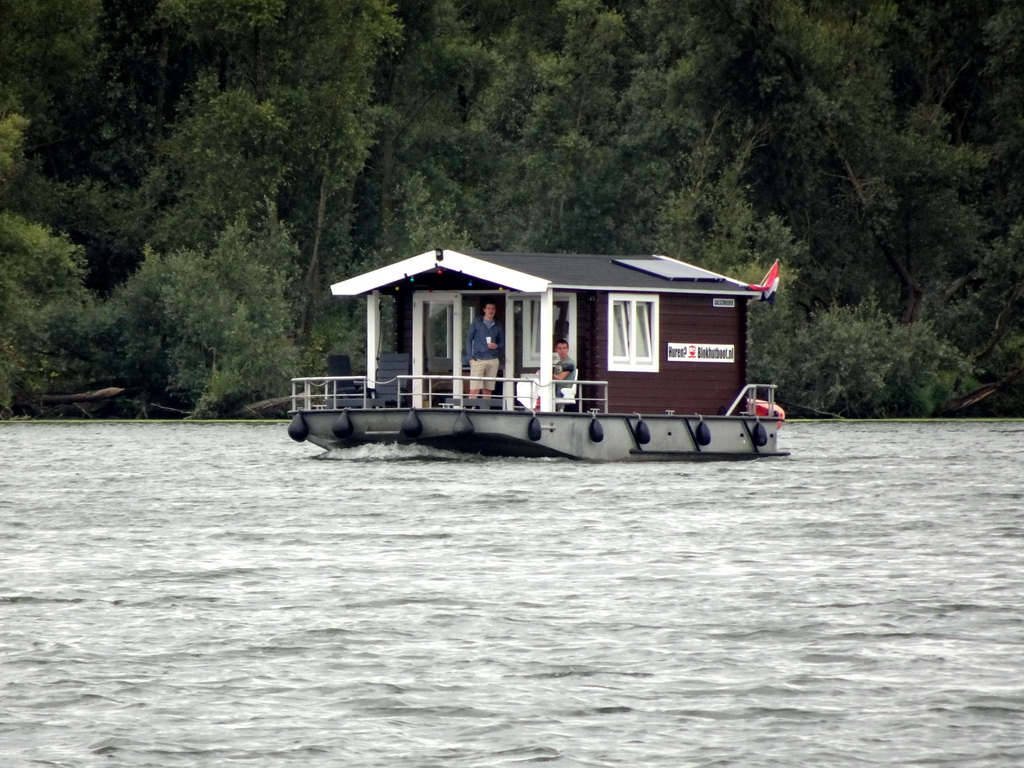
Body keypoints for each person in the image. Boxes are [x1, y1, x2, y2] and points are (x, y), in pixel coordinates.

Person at [466, 301, 504, 398]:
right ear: (484, 310)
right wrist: (470, 358)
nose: (491, 311)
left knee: (488, 390)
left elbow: (502, 343)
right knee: (474, 389)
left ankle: (485, 412)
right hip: (478, 359)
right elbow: (469, 340)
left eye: (493, 308)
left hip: (493, 359)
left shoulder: (498, 324)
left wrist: (495, 346)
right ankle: (470, 411)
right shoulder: (477, 322)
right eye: (489, 308)